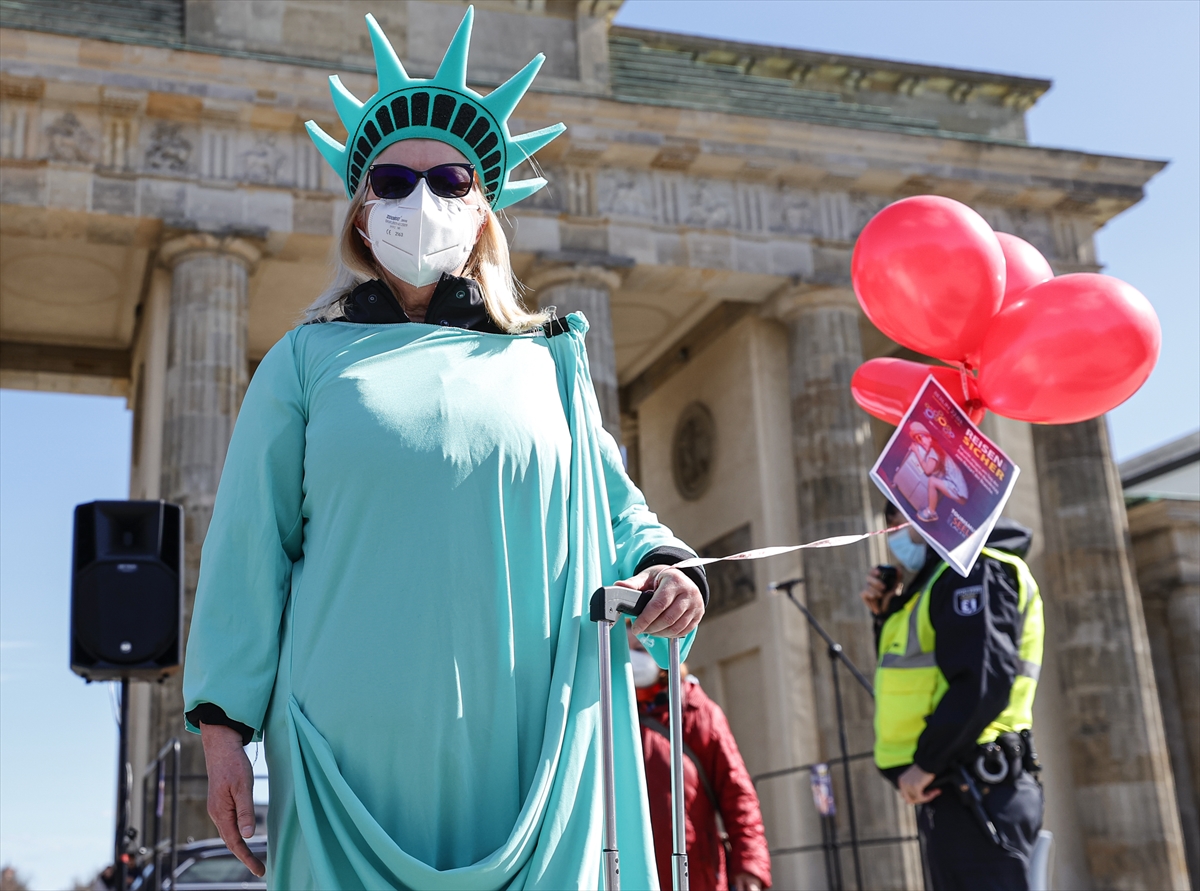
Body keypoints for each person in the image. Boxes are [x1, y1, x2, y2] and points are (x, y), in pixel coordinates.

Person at [181, 10, 708, 890]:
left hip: (534, 752)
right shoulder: (305, 361)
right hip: (346, 761)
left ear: (483, 208)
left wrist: (666, 568)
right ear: (358, 209)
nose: (417, 201)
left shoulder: (551, 357)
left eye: (448, 178)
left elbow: (616, 508)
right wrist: (222, 732)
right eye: (390, 180)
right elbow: (247, 550)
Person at [861, 501, 1046, 891]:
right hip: (959, 789)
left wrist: (926, 762)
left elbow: (982, 681)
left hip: (977, 788)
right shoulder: (938, 578)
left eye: (893, 518)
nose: (891, 531)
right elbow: (917, 677)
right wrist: (886, 613)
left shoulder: (975, 567)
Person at [628, 626, 772, 891]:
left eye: (641, 649)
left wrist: (750, 866)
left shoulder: (700, 714)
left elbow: (737, 794)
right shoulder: (605, 713)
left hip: (695, 875)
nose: (632, 659)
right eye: (625, 651)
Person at [905, 422, 968, 522]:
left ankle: (931, 512)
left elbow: (927, 471)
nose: (920, 442)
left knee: (932, 481)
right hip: (956, 486)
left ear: (929, 438)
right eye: (917, 439)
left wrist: (916, 452)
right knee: (935, 480)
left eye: (921, 438)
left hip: (959, 492)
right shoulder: (935, 448)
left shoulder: (934, 451)